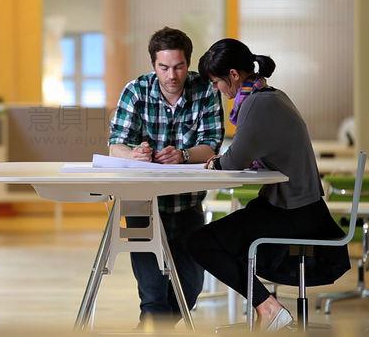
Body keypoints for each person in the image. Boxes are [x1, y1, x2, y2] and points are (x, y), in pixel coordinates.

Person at [187, 38, 350, 332]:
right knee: (218, 239)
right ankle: (268, 308)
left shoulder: (258, 105)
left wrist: (216, 162)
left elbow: (234, 160)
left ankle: (269, 308)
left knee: (201, 243)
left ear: (233, 75)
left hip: (293, 212)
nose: (217, 89)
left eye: (216, 82)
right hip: (299, 206)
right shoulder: (271, 95)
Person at [108, 27, 224, 328]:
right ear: (153, 65)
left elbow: (211, 146)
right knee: (153, 296)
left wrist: (183, 155)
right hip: (140, 203)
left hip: (187, 202)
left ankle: (152, 328)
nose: (172, 75)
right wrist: (134, 154)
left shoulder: (206, 90)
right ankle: (152, 324)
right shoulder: (136, 90)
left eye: (179, 67)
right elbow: (115, 145)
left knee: (190, 290)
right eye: (164, 67)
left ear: (188, 63)